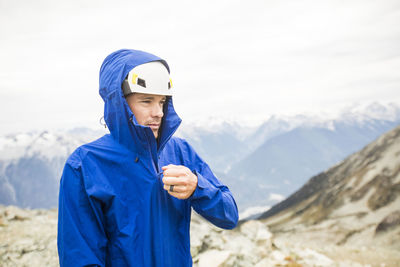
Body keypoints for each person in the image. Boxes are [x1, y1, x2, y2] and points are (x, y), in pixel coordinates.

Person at [57, 49, 238, 266]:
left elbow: (229, 216)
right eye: (146, 101)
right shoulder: (85, 165)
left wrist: (198, 187)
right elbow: (80, 258)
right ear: (119, 102)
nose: (159, 112)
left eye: (162, 102)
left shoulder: (181, 152)